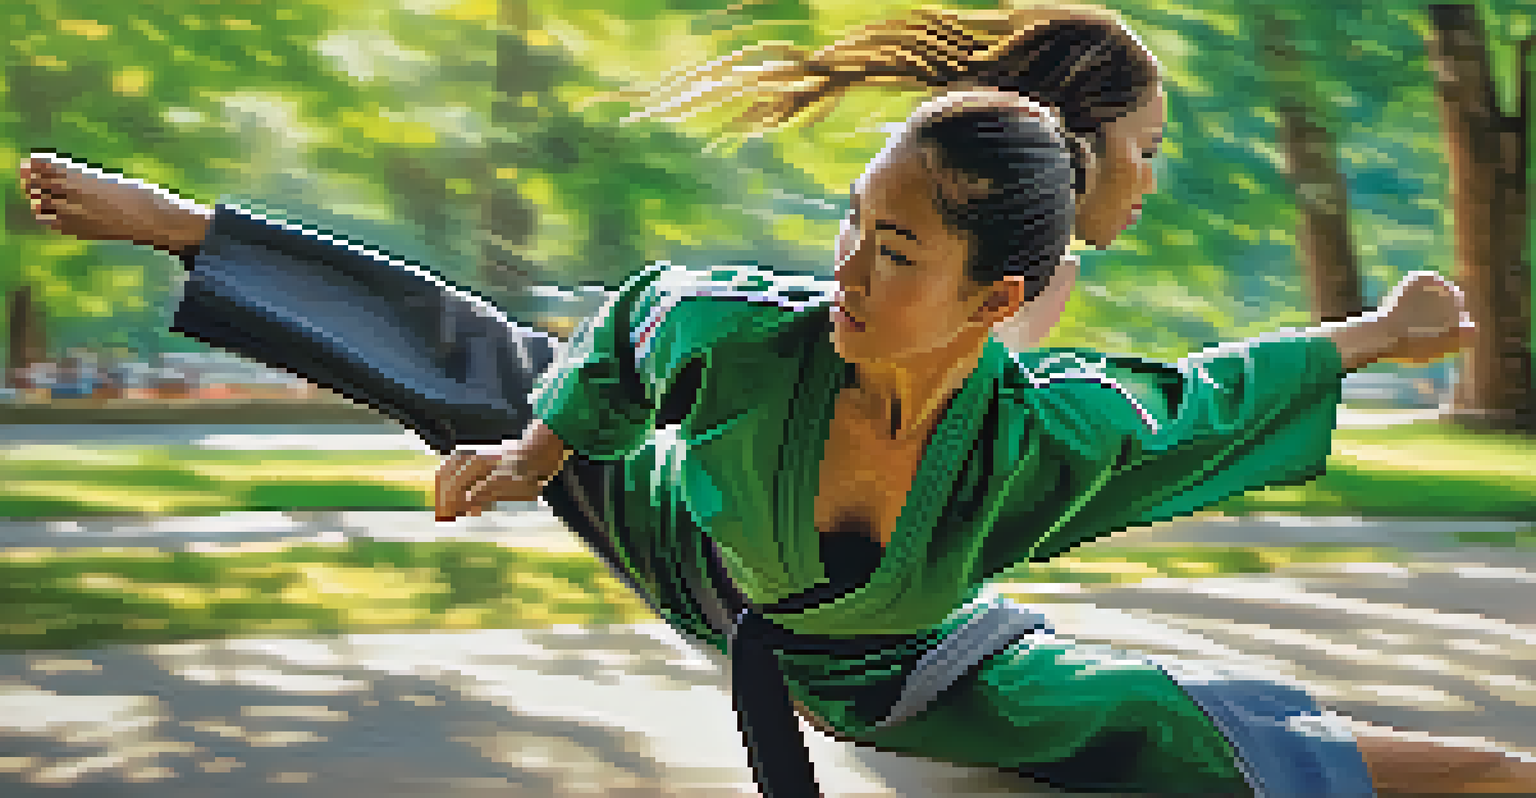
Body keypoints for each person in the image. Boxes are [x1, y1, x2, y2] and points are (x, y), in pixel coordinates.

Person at [17, 5, 1524, 796]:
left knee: (1158, 724)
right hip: (693, 536)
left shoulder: (1042, 399)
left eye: (895, 247)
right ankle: (179, 218)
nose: (847, 270)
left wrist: (1379, 334)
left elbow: (1203, 398)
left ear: (1001, 288)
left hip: (908, 662)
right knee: (484, 361)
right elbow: (621, 335)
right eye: (851, 232)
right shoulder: (744, 330)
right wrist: (534, 451)